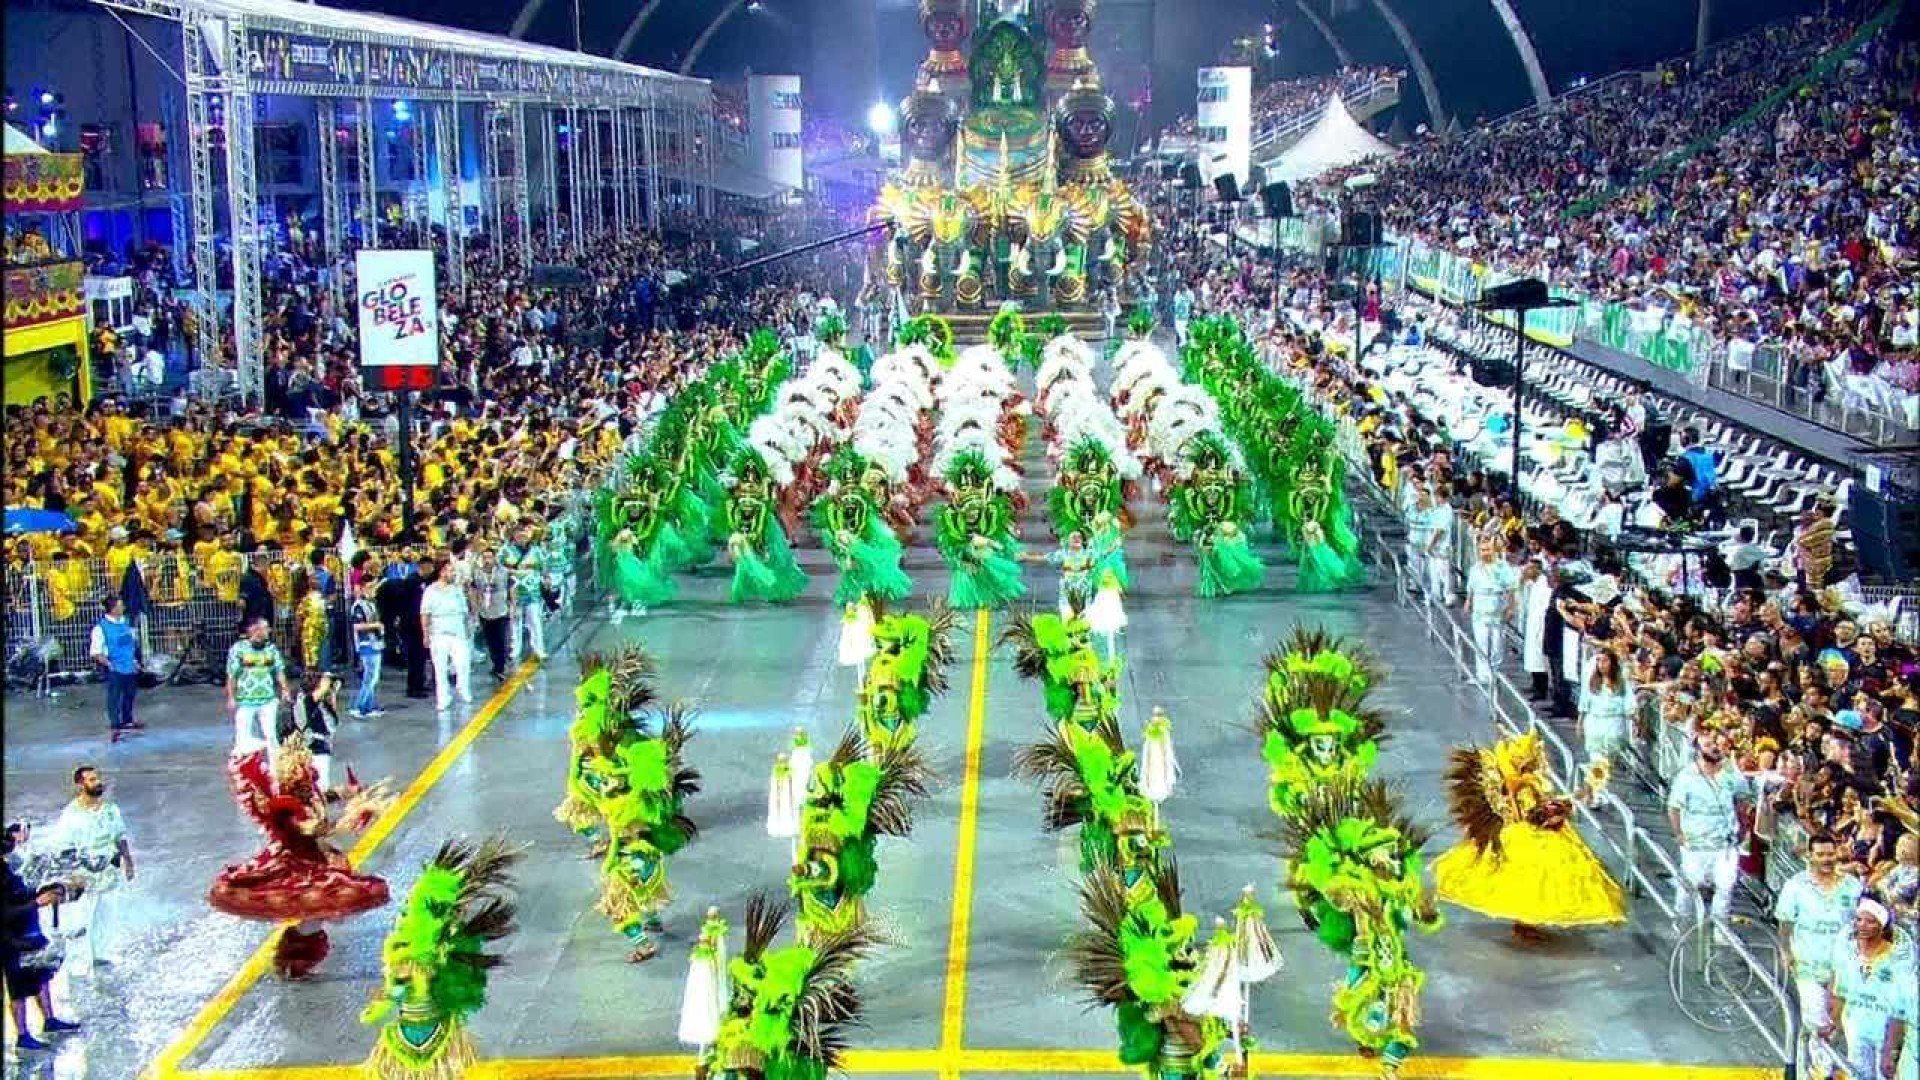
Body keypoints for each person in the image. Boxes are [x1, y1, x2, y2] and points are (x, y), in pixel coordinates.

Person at [1776, 832, 1864, 1049]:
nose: (1827, 859)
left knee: (1841, 1023)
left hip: (1844, 969)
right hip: (1809, 967)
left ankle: (1821, 1063)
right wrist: (1785, 951)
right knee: (1817, 1021)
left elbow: (1861, 925)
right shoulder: (1795, 886)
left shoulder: (1852, 887)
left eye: (1831, 854)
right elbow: (1785, 922)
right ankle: (1817, 1069)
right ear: (1810, 856)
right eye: (1821, 854)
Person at [2, 827, 83, 1051]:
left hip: (30, 929)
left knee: (41, 975)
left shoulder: (11, 868)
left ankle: (49, 1019)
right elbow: (5, 913)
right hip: (11, 939)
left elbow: (22, 893)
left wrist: (46, 893)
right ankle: (22, 1034)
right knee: (17, 987)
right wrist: (36, 903)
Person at [48, 765, 133, 977]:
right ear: (80, 784)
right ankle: (79, 966)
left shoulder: (110, 809)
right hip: (85, 876)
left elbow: (120, 836)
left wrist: (128, 861)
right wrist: (73, 875)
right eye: (92, 780)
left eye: (97, 779)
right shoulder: (71, 815)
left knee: (107, 915)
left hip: (109, 873)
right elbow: (63, 847)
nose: (98, 783)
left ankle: (102, 955)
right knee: (83, 920)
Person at [1665, 734, 1753, 920]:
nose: (1714, 748)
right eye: (1708, 745)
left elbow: (1742, 801)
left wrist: (1742, 829)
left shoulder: (1731, 774)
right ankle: (1683, 921)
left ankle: (1720, 930)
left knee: (1725, 887)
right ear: (1698, 750)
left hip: (1724, 844)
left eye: (1717, 744)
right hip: (1696, 843)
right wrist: (1678, 834)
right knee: (1691, 884)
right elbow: (1674, 807)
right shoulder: (1686, 776)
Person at [1827, 897, 1914, 1080]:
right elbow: (1838, 987)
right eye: (1859, 920)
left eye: (1870, 921)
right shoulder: (1848, 949)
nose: (1863, 926)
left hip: (1885, 1029)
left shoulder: (1899, 957)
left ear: (1882, 926)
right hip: (1857, 1025)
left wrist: (1891, 1048)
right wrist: (1834, 1022)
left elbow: (1902, 1006)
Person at [227, 616, 291, 754]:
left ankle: (275, 770)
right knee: (242, 738)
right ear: (255, 630)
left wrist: (285, 689)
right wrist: (231, 697)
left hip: (268, 698)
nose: (268, 631)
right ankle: (244, 769)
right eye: (265, 628)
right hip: (245, 700)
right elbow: (232, 675)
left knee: (271, 736)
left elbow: (279, 671)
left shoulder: (271, 649)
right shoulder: (238, 649)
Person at [421, 558, 474, 711]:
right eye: (451, 571)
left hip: (458, 631)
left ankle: (463, 689)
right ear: (442, 572)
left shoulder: (457, 590)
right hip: (438, 633)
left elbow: (464, 611)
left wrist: (467, 628)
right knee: (440, 667)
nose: (453, 574)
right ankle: (443, 697)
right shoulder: (430, 590)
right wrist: (425, 634)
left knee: (463, 663)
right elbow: (425, 613)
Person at [89, 594, 143, 742]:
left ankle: (127, 720)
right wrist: (109, 664)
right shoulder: (101, 628)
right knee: (114, 697)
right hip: (114, 667)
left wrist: (134, 661)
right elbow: (96, 651)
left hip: (129, 665)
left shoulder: (125, 623)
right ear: (112, 609)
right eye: (120, 606)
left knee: (129, 695)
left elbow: (130, 644)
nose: (123, 608)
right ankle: (115, 725)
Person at [1463, 539, 1516, 686]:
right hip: (1480, 609)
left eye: (1487, 550)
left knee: (1497, 644)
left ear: (1494, 551)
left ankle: (1495, 672)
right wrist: (1468, 602)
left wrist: (1511, 607)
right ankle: (1482, 675)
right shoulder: (1475, 568)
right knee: (1481, 642)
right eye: (1482, 550)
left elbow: (1511, 589)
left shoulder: (1503, 567)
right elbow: (1471, 588)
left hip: (1497, 606)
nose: (1484, 553)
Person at [280, 671, 339, 790]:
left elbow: (332, 718)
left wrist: (333, 692)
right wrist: (327, 679)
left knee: (318, 786)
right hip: (314, 749)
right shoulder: (307, 700)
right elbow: (321, 690)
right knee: (319, 788)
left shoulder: (318, 703)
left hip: (320, 747)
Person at [1577, 647, 1636, 765]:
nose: (1601, 665)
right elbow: (1584, 702)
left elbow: (1629, 703)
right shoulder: (1592, 681)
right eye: (1598, 661)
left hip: (1614, 725)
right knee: (1597, 763)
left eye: (1604, 661)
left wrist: (1634, 722)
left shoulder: (1622, 681)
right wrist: (1580, 723)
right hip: (1595, 724)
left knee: (1610, 763)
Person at [501, 524, 548, 663]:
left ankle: (539, 649)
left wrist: (546, 578)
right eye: (519, 534)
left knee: (535, 621)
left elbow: (543, 567)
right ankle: (515, 650)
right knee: (515, 621)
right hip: (514, 591)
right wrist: (511, 571)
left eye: (524, 534)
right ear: (513, 535)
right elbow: (499, 567)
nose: (522, 537)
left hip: (532, 591)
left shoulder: (536, 551)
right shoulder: (505, 551)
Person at [472, 545, 513, 680]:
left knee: (502, 640)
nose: (487, 560)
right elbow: (474, 591)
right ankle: (496, 665)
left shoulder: (503, 572)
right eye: (484, 558)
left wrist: (513, 606)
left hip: (501, 610)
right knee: (490, 641)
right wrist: (475, 608)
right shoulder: (477, 573)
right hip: (485, 611)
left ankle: (502, 666)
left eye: (489, 557)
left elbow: (511, 588)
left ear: (495, 558)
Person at [349, 576, 386, 719]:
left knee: (373, 676)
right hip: (366, 644)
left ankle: (369, 706)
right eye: (370, 587)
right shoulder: (358, 606)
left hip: (375, 643)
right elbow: (357, 626)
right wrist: (376, 626)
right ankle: (360, 706)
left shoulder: (371, 604)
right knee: (370, 676)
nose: (373, 591)